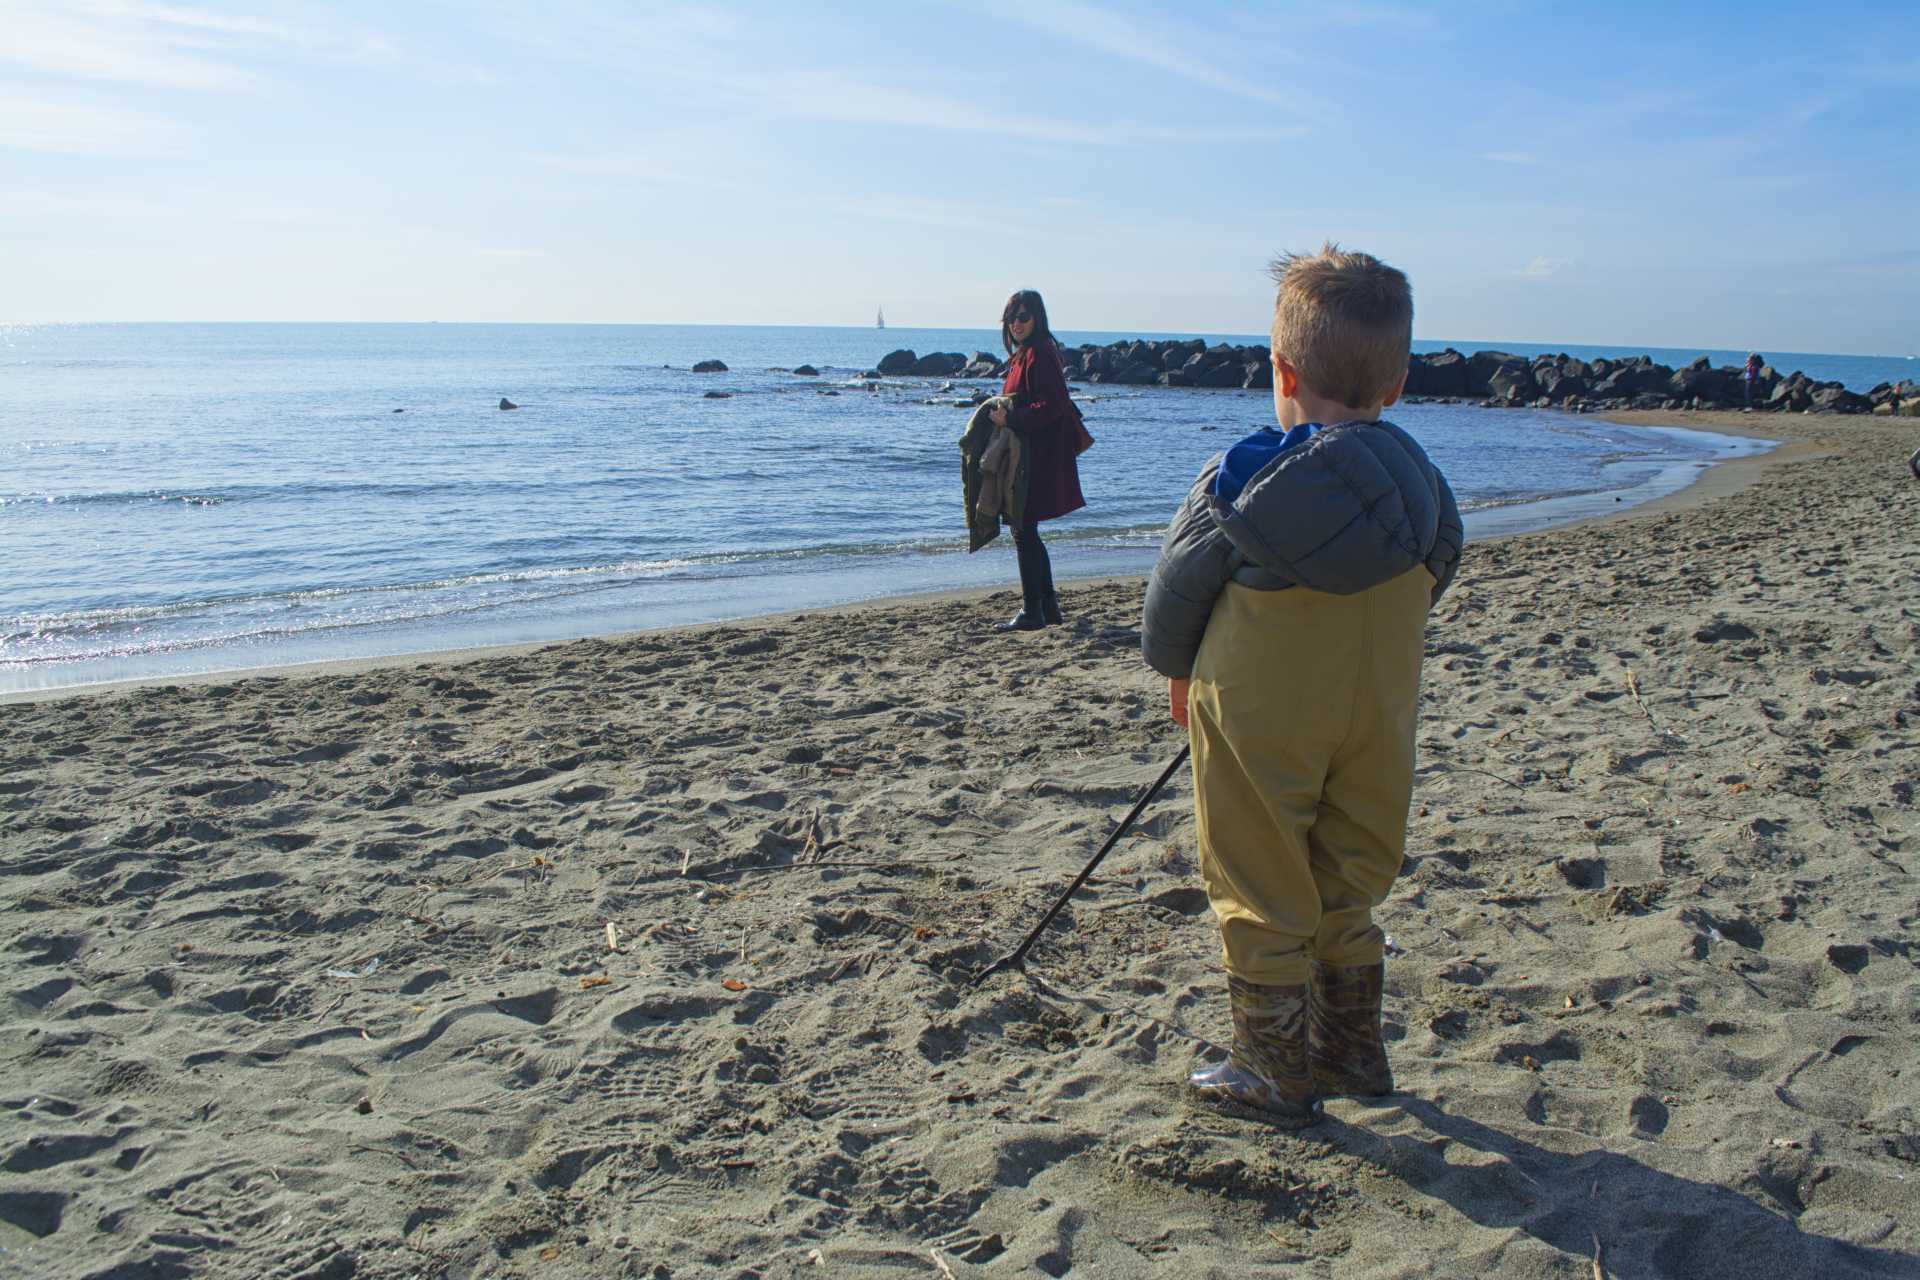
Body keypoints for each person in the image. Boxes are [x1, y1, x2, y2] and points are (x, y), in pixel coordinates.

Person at [1141, 244, 1463, 1125]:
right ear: (1396, 384)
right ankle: (1351, 1048)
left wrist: (1177, 674)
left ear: (1281, 370)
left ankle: (1275, 1065)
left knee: (1258, 868)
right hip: (1376, 702)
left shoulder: (1244, 478)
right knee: (1348, 868)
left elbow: (1178, 584)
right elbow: (1442, 562)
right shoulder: (1424, 482)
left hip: (1258, 703)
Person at [989, 290, 1087, 630]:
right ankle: (1047, 608)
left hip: (1037, 456)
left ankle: (1033, 611)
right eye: (1012, 317)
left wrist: (1011, 420)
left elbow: (1053, 404)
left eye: (1024, 317)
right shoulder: (1028, 353)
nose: (1016, 323)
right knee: (1025, 529)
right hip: (1035, 452)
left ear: (1037, 319)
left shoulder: (1040, 354)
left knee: (1022, 528)